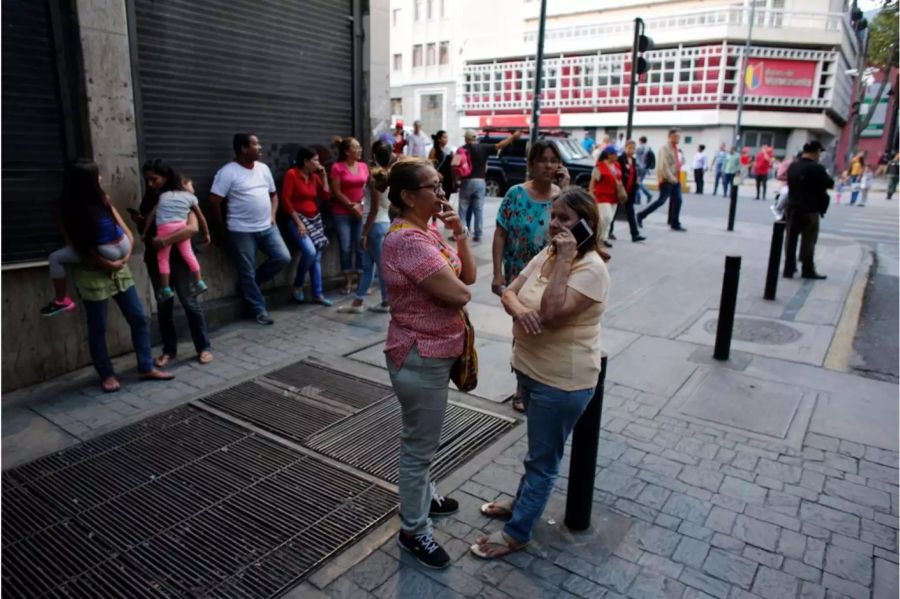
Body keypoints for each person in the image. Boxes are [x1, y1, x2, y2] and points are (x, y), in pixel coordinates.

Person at [471, 188, 610, 560]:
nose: (554, 225)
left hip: (561, 381)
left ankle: (517, 533)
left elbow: (549, 314)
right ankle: (521, 504)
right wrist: (517, 310)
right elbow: (508, 291)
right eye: (553, 216)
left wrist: (565, 261)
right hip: (531, 370)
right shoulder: (546, 252)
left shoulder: (591, 269)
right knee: (537, 453)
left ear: (586, 224)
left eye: (565, 219)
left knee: (543, 460)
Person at [382, 159, 476, 569]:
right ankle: (414, 530)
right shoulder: (408, 242)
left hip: (435, 353)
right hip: (420, 355)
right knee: (418, 446)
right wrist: (456, 281)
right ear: (406, 196)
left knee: (425, 439)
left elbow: (467, 277)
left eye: (442, 185)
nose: (441, 194)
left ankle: (426, 497)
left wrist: (459, 232)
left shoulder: (430, 232)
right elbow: (459, 296)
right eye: (432, 187)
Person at [58, 159, 174, 391]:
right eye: (97, 175)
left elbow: (124, 228)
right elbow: (80, 246)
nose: (101, 178)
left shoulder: (103, 200)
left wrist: (127, 250)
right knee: (98, 326)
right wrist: (108, 263)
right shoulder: (67, 209)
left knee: (139, 318)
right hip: (93, 273)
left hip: (120, 268)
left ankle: (145, 366)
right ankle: (106, 374)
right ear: (86, 181)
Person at [492, 141, 570, 413]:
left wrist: (567, 189)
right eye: (543, 160)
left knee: (546, 329)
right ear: (531, 164)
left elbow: (578, 227)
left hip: (551, 275)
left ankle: (539, 380)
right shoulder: (515, 194)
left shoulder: (562, 196)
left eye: (553, 160)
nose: (549, 166)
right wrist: (496, 273)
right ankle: (521, 387)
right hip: (519, 277)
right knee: (524, 331)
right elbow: (500, 233)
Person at [132, 160, 213, 367]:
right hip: (156, 258)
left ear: (166, 177)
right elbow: (149, 226)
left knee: (190, 302)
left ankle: (203, 347)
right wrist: (141, 222)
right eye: (147, 180)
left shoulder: (181, 193)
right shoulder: (151, 198)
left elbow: (192, 228)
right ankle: (169, 350)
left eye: (154, 179)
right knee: (164, 304)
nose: (150, 184)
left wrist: (165, 241)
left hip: (180, 257)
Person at [209, 133, 290, 326]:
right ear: (244, 149)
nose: (260, 147)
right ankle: (259, 309)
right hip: (241, 230)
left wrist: (272, 215)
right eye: (255, 144)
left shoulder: (263, 168)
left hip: (267, 227)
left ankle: (251, 284)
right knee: (246, 270)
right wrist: (221, 228)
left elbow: (274, 195)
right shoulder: (228, 172)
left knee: (283, 257)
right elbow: (214, 200)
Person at [143, 164, 210, 301]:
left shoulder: (163, 196)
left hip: (164, 229)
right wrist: (207, 233)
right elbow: (201, 218)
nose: (192, 188)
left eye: (154, 179)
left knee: (163, 259)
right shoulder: (190, 198)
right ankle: (199, 282)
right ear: (183, 185)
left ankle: (166, 288)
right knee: (189, 254)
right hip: (180, 226)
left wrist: (145, 231)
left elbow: (151, 216)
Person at [339, 150, 392, 314]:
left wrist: (364, 233)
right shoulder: (387, 180)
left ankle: (385, 302)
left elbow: (374, 209)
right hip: (382, 224)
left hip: (374, 226)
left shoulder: (374, 181)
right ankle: (359, 301)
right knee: (368, 266)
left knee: (379, 267)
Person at [280, 146, 334, 306]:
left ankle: (318, 294)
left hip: (314, 219)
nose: (318, 163)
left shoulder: (313, 177)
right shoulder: (292, 175)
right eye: (315, 160)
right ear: (306, 161)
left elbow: (325, 195)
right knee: (310, 252)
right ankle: (298, 284)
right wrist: (299, 223)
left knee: (316, 256)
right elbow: (286, 201)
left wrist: (324, 177)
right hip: (297, 220)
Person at [458, 129, 521, 242]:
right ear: (475, 138)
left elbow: (455, 165)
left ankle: (464, 235)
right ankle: (478, 235)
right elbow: (500, 145)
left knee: (463, 210)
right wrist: (512, 138)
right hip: (480, 182)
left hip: (466, 182)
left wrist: (455, 181)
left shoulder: (462, 149)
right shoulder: (483, 148)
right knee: (478, 210)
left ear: (466, 138)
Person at [783, 140, 833, 280]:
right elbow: (829, 183)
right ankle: (807, 268)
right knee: (809, 240)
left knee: (790, 238)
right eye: (819, 152)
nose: (819, 155)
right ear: (816, 152)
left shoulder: (793, 166)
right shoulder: (817, 168)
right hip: (810, 209)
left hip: (792, 207)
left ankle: (789, 267)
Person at [330, 137, 370, 295]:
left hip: (361, 211)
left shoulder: (363, 166)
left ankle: (361, 281)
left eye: (360, 147)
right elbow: (336, 191)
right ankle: (347, 281)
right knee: (345, 247)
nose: (359, 150)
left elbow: (367, 189)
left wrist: (361, 206)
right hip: (342, 213)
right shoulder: (337, 167)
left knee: (361, 246)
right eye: (356, 148)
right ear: (347, 151)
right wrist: (352, 206)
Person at [638, 129, 686, 232]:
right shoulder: (664, 149)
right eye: (676, 137)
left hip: (676, 179)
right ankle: (641, 215)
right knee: (661, 200)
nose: (678, 139)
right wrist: (671, 178)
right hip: (667, 179)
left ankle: (675, 222)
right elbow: (663, 166)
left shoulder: (676, 149)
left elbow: (677, 163)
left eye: (679, 137)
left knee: (678, 200)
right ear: (671, 137)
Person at [610, 140, 646, 243]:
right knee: (614, 211)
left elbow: (634, 174)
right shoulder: (620, 159)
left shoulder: (633, 160)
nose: (631, 150)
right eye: (629, 148)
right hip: (620, 190)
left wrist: (637, 182)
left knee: (630, 212)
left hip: (630, 190)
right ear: (625, 148)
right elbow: (617, 173)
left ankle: (635, 234)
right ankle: (609, 232)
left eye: (633, 148)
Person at [589, 148, 621, 247]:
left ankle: (604, 237)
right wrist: (591, 192)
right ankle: (598, 237)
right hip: (602, 196)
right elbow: (593, 180)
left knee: (610, 218)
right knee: (606, 217)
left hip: (614, 196)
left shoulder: (617, 165)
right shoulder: (600, 166)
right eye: (615, 154)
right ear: (608, 155)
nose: (617, 156)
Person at [428, 130, 455, 197]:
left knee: (446, 197)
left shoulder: (448, 150)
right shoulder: (434, 150)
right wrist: (436, 173)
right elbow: (429, 164)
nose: (446, 139)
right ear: (439, 139)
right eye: (444, 137)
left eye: (447, 137)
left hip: (448, 178)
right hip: (438, 178)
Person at [634, 136, 654, 204]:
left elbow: (634, 154)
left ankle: (643, 197)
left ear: (640, 141)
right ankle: (638, 199)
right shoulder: (648, 148)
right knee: (639, 182)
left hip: (639, 167)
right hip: (645, 168)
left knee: (637, 182)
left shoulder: (640, 147)